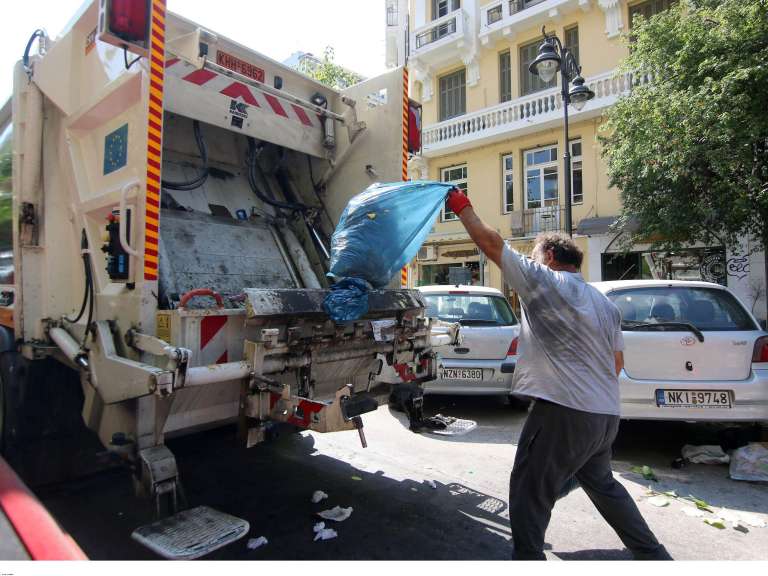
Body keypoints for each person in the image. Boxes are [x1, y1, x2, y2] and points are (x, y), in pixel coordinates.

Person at [445, 189, 671, 561]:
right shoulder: (604, 303)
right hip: (605, 415)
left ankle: (528, 560)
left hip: (563, 411)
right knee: (602, 485)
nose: (531, 262)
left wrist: (461, 206)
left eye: (536, 256)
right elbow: (615, 363)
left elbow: (490, 243)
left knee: (528, 490)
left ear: (549, 257)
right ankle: (653, 554)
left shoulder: (546, 282)